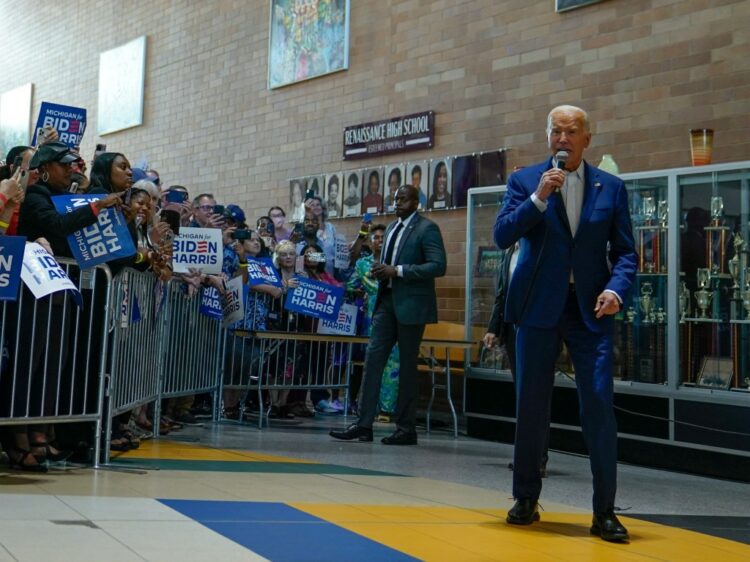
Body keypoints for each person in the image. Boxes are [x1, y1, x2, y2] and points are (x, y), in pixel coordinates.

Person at [493, 105, 637, 542]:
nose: (563, 138)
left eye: (571, 131)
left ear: (586, 139)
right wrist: (539, 199)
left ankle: (605, 510)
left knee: (597, 404)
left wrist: (616, 289)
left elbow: (626, 253)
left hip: (589, 309)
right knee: (531, 405)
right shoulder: (525, 181)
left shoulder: (610, 187)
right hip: (538, 307)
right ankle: (524, 498)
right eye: (556, 131)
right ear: (548, 137)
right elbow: (502, 236)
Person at [330, 184, 447, 445]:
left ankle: (406, 429)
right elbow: (388, 264)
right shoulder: (392, 228)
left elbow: (438, 266)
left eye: (404, 199)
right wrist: (380, 271)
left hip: (412, 306)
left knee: (406, 367)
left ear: (417, 202)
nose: (398, 203)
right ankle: (363, 424)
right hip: (386, 301)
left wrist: (398, 271)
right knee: (373, 361)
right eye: (396, 199)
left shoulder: (427, 229)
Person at [482, 242, 550, 477]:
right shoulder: (509, 251)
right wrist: (493, 328)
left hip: (538, 325)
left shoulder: (543, 246)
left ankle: (538, 458)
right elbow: (502, 292)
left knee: (535, 393)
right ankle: (526, 456)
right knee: (522, 393)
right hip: (513, 327)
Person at [347, 224, 400, 420]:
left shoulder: (395, 263)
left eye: (382, 237)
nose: (379, 240)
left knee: (393, 364)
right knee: (372, 363)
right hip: (371, 319)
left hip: (394, 316)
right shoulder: (363, 264)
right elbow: (350, 285)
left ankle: (387, 409)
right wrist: (363, 293)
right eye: (375, 237)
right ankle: (368, 409)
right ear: (371, 241)